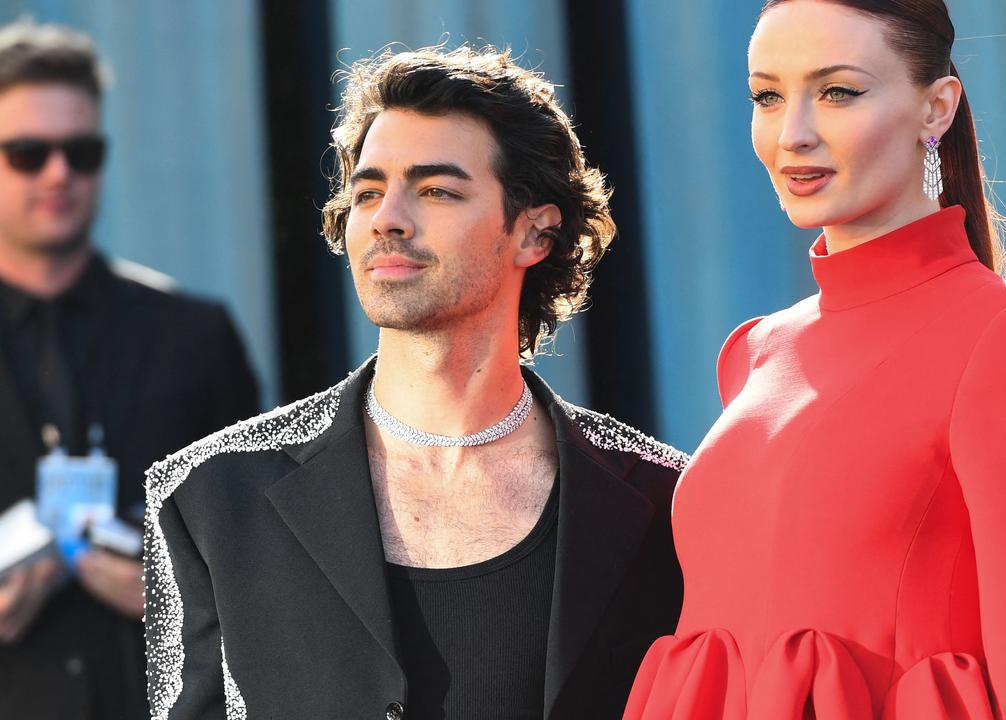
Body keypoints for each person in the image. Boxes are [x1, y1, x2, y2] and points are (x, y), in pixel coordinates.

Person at [144, 45, 687, 720]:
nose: (387, 218)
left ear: (534, 234)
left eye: (436, 191)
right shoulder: (214, 499)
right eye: (369, 191)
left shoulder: (666, 509)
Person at [624, 1, 1006, 718]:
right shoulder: (752, 352)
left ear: (935, 109)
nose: (792, 134)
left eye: (838, 92)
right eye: (767, 96)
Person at [0, 19, 260, 720]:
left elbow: (264, 550)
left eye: (82, 152)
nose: (60, 173)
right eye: (28, 153)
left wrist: (179, 594)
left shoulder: (193, 334)